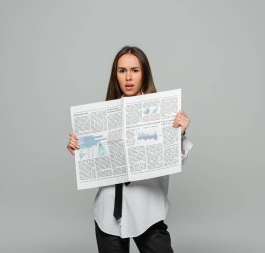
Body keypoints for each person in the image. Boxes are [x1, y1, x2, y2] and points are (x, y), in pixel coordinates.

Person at [67, 46, 193, 253]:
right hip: (107, 213)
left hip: (148, 212)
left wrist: (178, 135)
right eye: (122, 70)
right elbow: (97, 163)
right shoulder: (102, 114)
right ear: (115, 75)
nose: (128, 77)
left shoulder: (163, 111)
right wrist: (79, 149)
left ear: (144, 73)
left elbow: (176, 162)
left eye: (135, 70)